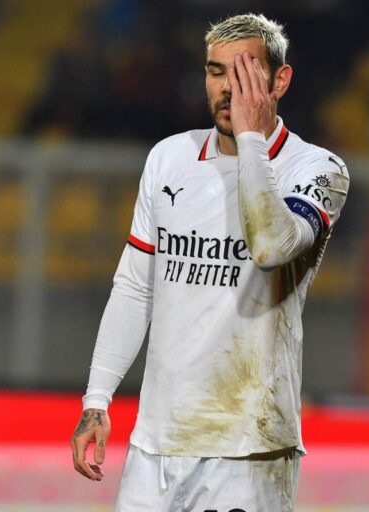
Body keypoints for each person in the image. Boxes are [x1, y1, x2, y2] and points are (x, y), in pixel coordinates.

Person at [71, 13, 349, 511]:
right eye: (216, 71)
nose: (227, 88)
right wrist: (97, 399)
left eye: (243, 74)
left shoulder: (318, 169)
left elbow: (269, 247)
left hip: (249, 449)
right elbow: (136, 287)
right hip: (155, 446)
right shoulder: (168, 159)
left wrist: (250, 140)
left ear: (279, 80)